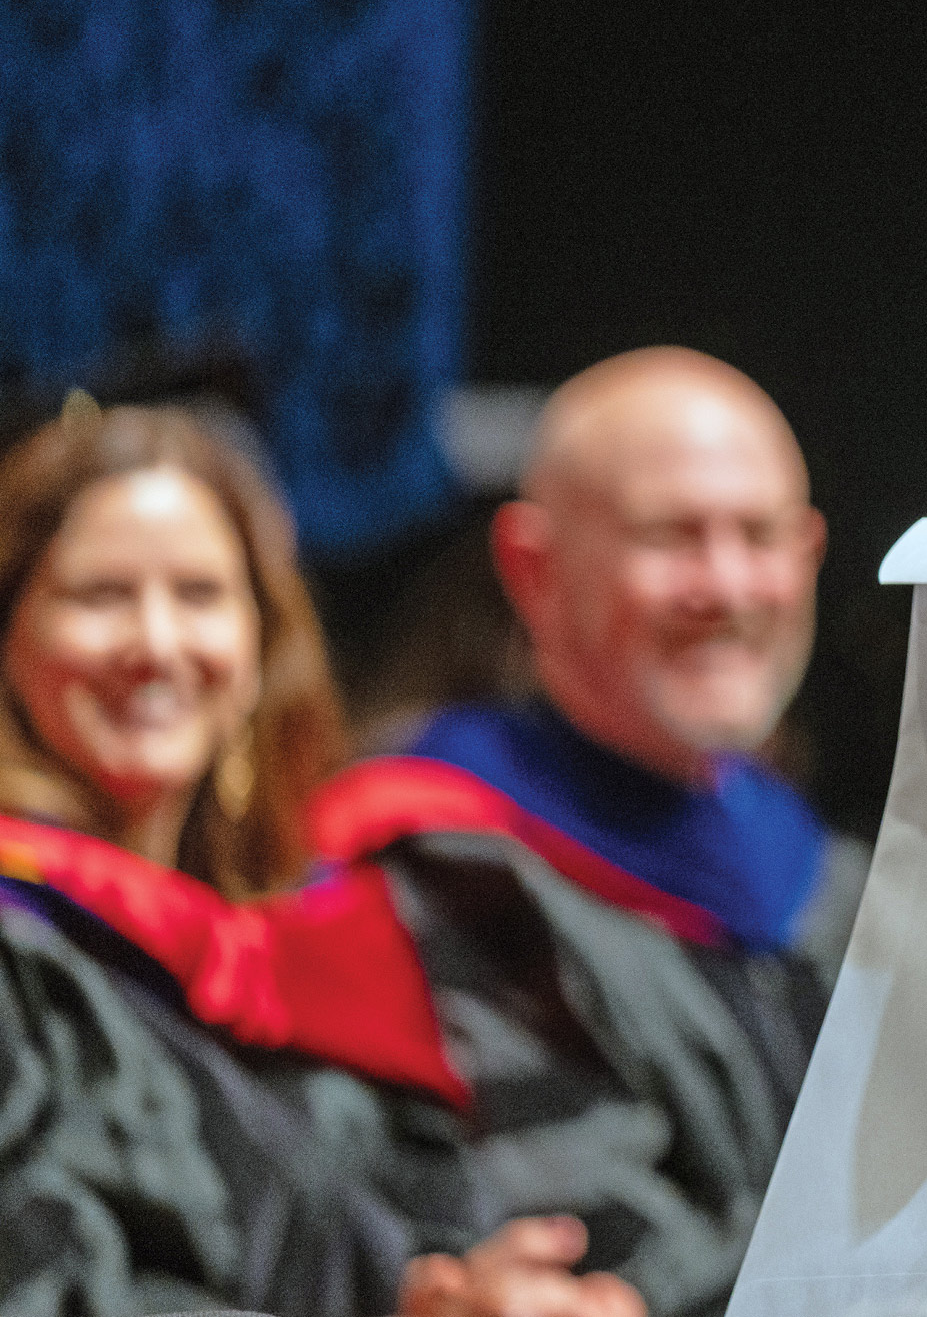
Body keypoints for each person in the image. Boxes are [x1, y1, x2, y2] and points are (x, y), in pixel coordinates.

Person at [0, 401, 640, 1317]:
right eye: (99, 595)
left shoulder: (321, 939)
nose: (157, 642)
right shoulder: (18, 953)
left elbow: (416, 1232)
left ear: (262, 644)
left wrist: (482, 1289)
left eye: (200, 594)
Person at [308, 348, 865, 1317]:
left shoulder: (833, 872)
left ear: (810, 554)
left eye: (761, 535)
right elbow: (604, 1259)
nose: (728, 586)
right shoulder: (441, 868)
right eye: (672, 536)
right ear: (535, 568)